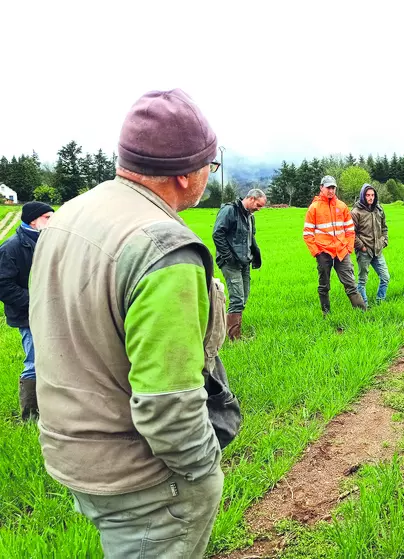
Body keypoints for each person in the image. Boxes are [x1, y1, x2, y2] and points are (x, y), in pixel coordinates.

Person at [29, 89, 231, 558]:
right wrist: (203, 471)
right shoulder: (163, 248)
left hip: (73, 452)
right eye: (210, 166)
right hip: (142, 477)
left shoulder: (71, 215)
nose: (208, 175)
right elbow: (168, 403)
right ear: (186, 173)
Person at [0, 201, 53, 420]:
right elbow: (3, 284)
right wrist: (34, 301)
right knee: (33, 362)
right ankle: (30, 416)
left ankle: (52, 411)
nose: (52, 222)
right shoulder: (11, 247)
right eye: (47, 217)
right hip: (27, 316)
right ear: (33, 219)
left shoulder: (48, 242)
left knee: (53, 361)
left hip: (50, 313)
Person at [303, 175, 366, 314]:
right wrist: (317, 252)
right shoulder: (314, 208)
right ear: (321, 188)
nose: (331, 190)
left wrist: (349, 247)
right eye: (328, 187)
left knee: (350, 283)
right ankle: (326, 314)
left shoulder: (342, 206)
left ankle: (362, 313)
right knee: (324, 285)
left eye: (333, 187)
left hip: (341, 251)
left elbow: (350, 230)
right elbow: (307, 234)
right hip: (323, 252)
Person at [212, 189, 265, 340]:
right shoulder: (230, 211)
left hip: (244, 262)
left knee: (244, 297)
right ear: (251, 198)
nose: (259, 209)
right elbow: (217, 234)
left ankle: (229, 330)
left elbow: (250, 239)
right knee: (237, 298)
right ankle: (233, 338)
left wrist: (255, 256)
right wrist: (228, 257)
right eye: (258, 205)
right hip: (231, 263)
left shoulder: (250, 217)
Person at [351, 183, 390, 305]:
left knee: (385, 277)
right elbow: (351, 233)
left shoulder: (379, 209)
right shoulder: (356, 212)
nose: (370, 198)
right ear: (363, 196)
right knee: (362, 281)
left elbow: (384, 227)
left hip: (378, 250)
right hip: (364, 251)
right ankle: (365, 305)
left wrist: (384, 241)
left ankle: (380, 301)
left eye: (372, 195)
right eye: (368, 195)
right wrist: (361, 247)